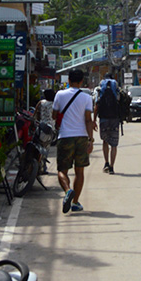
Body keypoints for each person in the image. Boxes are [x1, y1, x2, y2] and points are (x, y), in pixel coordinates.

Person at [52, 69, 94, 214]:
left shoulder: (60, 94)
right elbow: (88, 120)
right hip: (81, 137)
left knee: (62, 170)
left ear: (68, 80)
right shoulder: (87, 97)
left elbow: (54, 115)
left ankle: (67, 190)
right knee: (79, 171)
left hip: (65, 136)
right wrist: (91, 140)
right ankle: (75, 202)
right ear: (82, 82)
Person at [93, 70, 121, 174]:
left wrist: (94, 119)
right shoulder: (116, 89)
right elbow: (120, 101)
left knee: (105, 141)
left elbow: (97, 105)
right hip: (114, 118)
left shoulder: (100, 89)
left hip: (103, 118)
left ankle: (106, 162)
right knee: (114, 145)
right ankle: (112, 167)